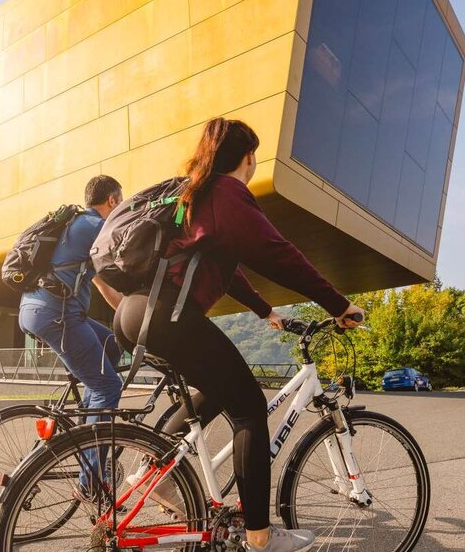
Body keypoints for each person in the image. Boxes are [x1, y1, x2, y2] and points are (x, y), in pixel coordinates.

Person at [113, 118, 364, 552]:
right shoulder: (227, 193)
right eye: (254, 158)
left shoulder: (195, 191)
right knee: (249, 407)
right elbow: (277, 253)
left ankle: (156, 474)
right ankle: (259, 537)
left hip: (135, 311)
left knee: (217, 388)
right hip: (168, 314)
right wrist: (339, 305)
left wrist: (267, 312)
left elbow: (228, 270)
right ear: (247, 157)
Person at [17, 174, 126, 503]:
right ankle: (89, 481)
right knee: (108, 386)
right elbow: (128, 267)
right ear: (112, 201)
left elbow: (104, 284)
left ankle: (87, 426)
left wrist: (129, 312)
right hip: (57, 315)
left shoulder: (78, 226)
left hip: (43, 310)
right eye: (120, 203)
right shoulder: (96, 226)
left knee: (111, 347)